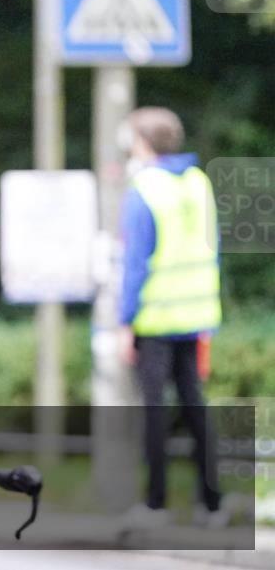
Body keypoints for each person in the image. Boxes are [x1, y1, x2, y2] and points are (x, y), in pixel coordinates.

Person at [117, 107, 227, 529]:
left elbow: (135, 263)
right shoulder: (199, 184)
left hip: (155, 319)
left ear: (142, 143)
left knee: (154, 413)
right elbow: (211, 247)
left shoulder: (144, 188)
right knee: (196, 409)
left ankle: (156, 505)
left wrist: (126, 321)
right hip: (197, 314)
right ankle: (211, 504)